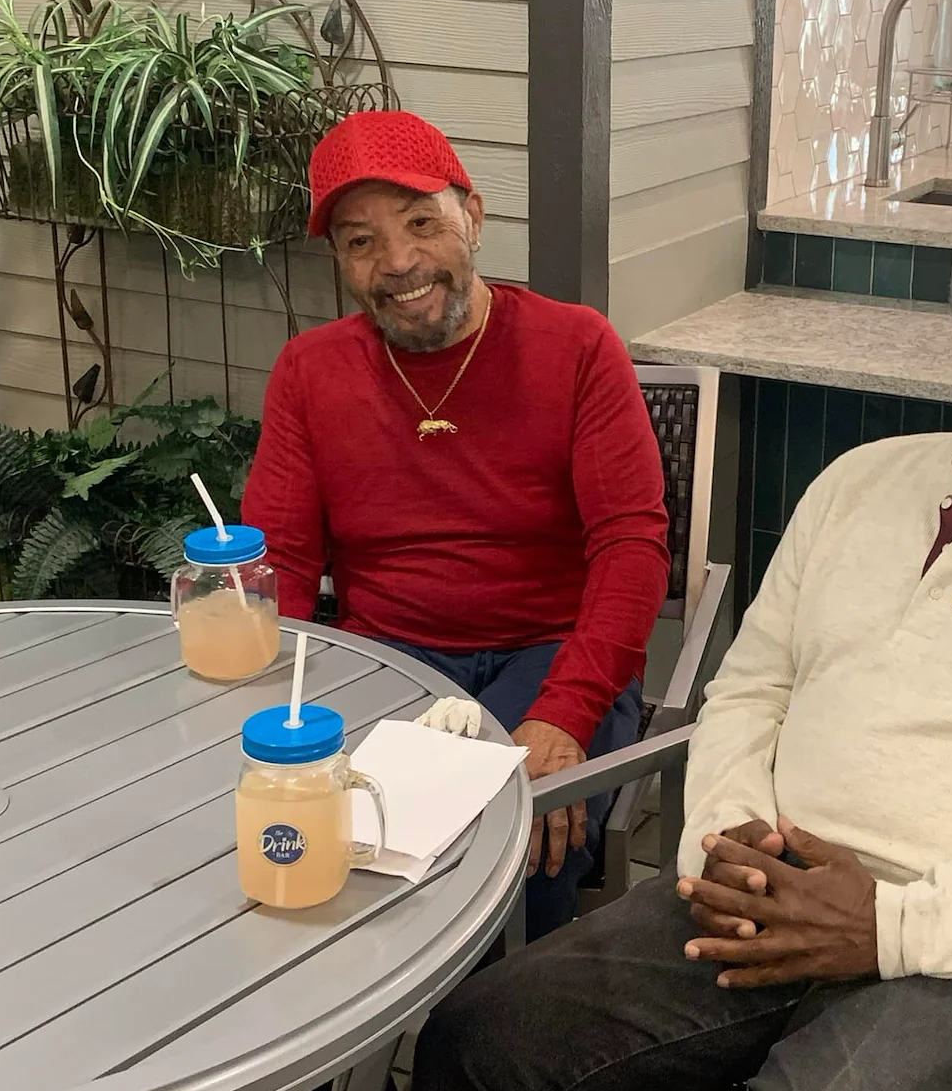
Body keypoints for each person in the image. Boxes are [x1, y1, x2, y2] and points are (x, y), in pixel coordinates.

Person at [409, 201, 952, 1091]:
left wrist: (888, 927)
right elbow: (752, 688)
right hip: (767, 888)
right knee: (479, 1043)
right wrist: (732, 837)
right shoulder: (859, 483)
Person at [242, 109, 671, 941]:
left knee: (522, 859)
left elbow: (631, 547)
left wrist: (564, 714)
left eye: (421, 224)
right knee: (317, 848)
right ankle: (355, 1072)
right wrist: (273, 716)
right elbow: (283, 564)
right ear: (339, 260)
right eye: (361, 241)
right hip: (385, 652)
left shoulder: (579, 347)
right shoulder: (310, 371)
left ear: (472, 216)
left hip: (551, 652)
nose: (399, 263)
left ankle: (495, 1065)